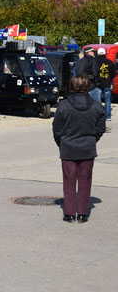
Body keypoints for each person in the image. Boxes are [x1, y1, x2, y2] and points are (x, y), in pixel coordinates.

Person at [52, 74, 105, 224]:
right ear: (87, 86)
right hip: (87, 148)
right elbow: (100, 128)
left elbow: (57, 130)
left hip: (68, 148)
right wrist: (91, 140)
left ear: (72, 86)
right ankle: (82, 214)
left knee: (69, 181)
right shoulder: (96, 106)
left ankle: (69, 213)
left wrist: (62, 143)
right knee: (85, 181)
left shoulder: (64, 105)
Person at [96, 47, 115, 123]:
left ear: (97, 53)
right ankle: (108, 116)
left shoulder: (95, 62)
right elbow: (113, 74)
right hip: (107, 83)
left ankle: (99, 116)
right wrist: (109, 79)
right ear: (105, 54)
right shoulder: (110, 62)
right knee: (107, 100)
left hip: (98, 83)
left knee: (98, 100)